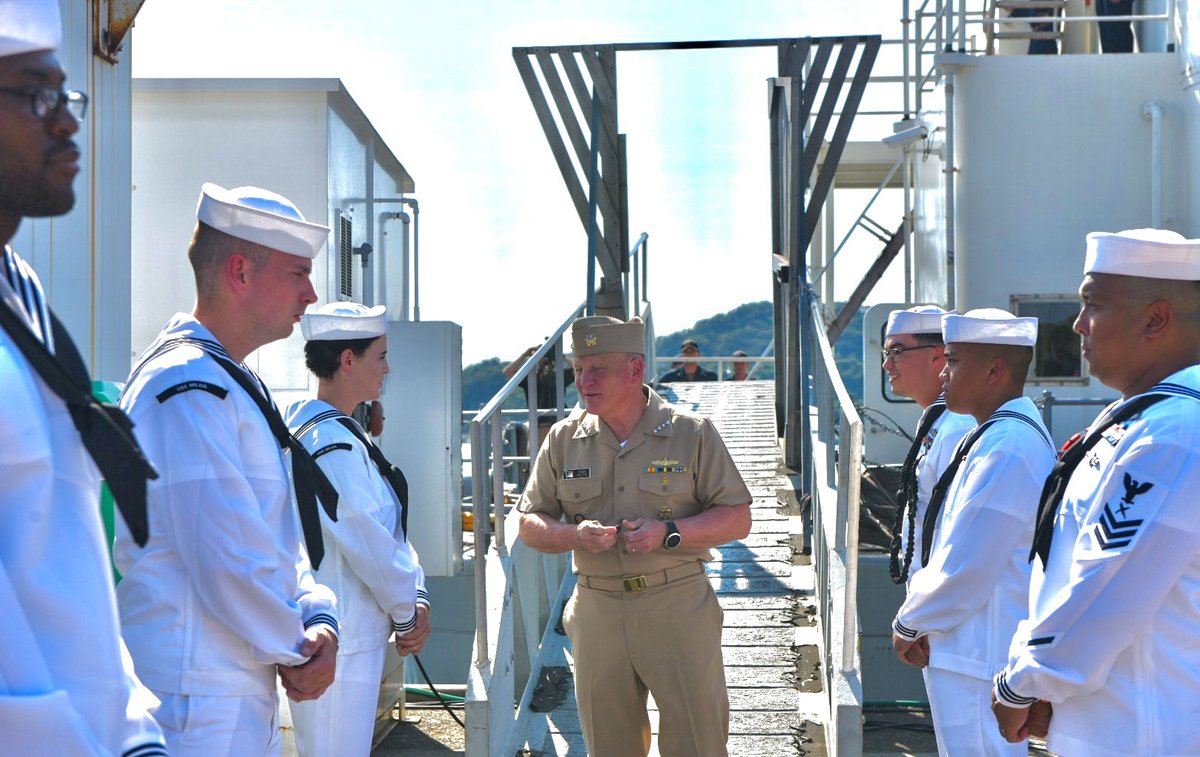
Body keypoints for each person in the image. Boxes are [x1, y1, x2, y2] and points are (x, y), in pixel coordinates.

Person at [115, 182, 340, 755]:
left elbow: (273, 536)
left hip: (228, 688)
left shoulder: (230, 383)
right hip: (194, 702)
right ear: (240, 272)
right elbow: (225, 557)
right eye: (298, 273)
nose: (311, 294)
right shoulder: (186, 387)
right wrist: (301, 645)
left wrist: (320, 619)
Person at [0, 2, 167, 754]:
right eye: (36, 94)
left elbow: (69, 565)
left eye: (66, 95)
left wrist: (132, 731)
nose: (68, 121)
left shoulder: (24, 296)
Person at [992, 229, 1200, 756]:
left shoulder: (1175, 433)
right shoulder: (1144, 418)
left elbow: (1106, 582)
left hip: (1147, 728)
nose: (1078, 324)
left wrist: (1024, 682)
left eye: (1093, 305)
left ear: (1156, 319)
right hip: (1114, 717)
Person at [517, 315, 752, 756]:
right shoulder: (564, 439)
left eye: (597, 369)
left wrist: (670, 532)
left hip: (677, 606)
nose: (583, 381)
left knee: (698, 743)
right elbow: (529, 522)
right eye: (578, 369)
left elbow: (737, 517)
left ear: (635, 370)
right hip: (597, 608)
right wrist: (573, 536)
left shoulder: (690, 433)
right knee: (609, 747)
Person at [891, 308, 1055, 756]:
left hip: (979, 652)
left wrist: (911, 621)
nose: (943, 372)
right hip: (965, 645)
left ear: (994, 370)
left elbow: (966, 564)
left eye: (955, 360)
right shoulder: (992, 435)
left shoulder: (1008, 446)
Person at [287, 301, 431, 756]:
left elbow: (386, 536)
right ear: (348, 360)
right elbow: (370, 540)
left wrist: (414, 597)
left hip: (341, 631)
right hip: (343, 637)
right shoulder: (333, 443)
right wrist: (410, 612)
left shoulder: (314, 425)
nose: (387, 368)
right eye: (380, 356)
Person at [881, 306, 974, 589]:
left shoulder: (956, 428)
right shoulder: (939, 419)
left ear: (937, 355)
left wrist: (920, 620)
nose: (887, 365)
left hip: (939, 604)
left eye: (897, 352)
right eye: (886, 354)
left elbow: (957, 538)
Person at [503, 340, 576, 449]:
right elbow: (508, 372)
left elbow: (579, 368)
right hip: (539, 427)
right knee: (540, 461)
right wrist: (527, 355)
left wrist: (559, 355)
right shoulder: (531, 378)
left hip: (560, 424)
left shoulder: (559, 376)